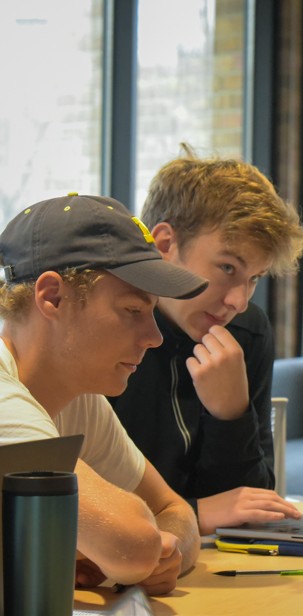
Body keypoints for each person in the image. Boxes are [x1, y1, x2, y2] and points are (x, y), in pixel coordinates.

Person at [0, 193, 208, 594]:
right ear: (52, 297)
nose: (155, 337)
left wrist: (167, 551)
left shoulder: (79, 400)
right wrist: (138, 549)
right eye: (133, 310)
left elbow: (174, 510)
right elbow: (130, 545)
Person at [108, 151, 303, 535]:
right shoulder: (103, 328)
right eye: (228, 268)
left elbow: (252, 503)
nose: (239, 301)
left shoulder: (246, 331)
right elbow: (82, 494)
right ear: (164, 244)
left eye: (255, 278)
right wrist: (193, 512)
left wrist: (231, 414)